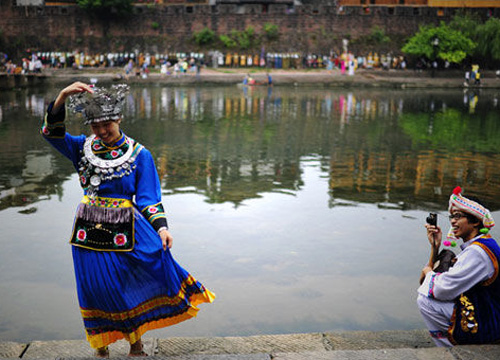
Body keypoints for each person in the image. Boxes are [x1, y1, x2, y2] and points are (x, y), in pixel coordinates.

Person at [40, 82, 215, 357]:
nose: (101, 131)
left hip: (125, 229)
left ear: (118, 118)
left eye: (106, 124)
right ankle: (101, 345)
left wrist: (162, 228)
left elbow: (149, 198)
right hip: (88, 231)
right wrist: (62, 95)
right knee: (94, 288)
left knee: (126, 286)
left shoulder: (139, 154)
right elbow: (52, 132)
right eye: (95, 126)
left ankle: (136, 344)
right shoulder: (81, 148)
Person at [417, 186, 500, 347]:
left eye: (458, 216)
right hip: (488, 313)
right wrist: (435, 248)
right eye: (451, 217)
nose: (453, 221)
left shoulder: (477, 252)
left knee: (425, 301)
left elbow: (441, 290)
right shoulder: (481, 245)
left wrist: (428, 272)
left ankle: (449, 349)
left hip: (488, 324)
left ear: (475, 221)